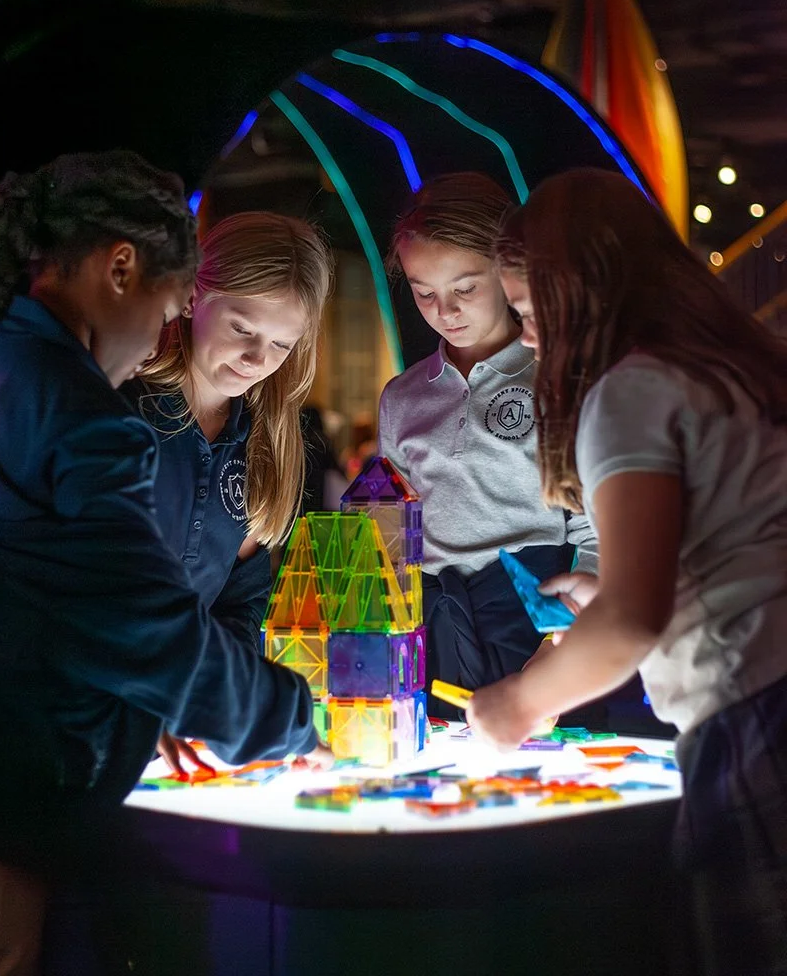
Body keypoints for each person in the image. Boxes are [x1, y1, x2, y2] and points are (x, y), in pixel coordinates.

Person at [0, 152, 319, 975]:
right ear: (124, 269)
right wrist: (287, 716)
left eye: (280, 343)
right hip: (25, 788)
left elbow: (210, 609)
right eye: (175, 309)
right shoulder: (90, 410)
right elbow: (137, 621)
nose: (151, 344)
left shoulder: (10, 361)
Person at [469, 167, 787, 973]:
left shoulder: (631, 390)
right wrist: (610, 595)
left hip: (756, 714)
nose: (529, 337)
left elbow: (632, 621)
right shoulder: (733, 366)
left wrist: (514, 704)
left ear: (584, 293)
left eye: (534, 312)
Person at [378, 172, 598, 717]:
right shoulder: (402, 397)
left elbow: (597, 530)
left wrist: (562, 646)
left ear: (509, 269)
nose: (444, 310)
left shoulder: (559, 377)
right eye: (423, 291)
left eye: (465, 288)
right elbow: (389, 529)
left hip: (542, 616)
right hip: (436, 625)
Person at [123, 212, 334, 774]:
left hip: (177, 727)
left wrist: (217, 709)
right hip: (100, 705)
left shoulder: (264, 445)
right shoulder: (120, 410)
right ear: (193, 296)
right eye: (243, 328)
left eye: (282, 344)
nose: (258, 360)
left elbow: (237, 605)